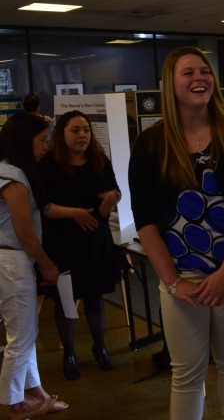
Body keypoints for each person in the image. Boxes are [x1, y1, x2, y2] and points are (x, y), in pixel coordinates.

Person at [128, 46, 224, 420]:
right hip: (180, 274)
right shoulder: (151, 145)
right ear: (170, 84)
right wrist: (172, 282)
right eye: (188, 73)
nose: (198, 78)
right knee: (186, 370)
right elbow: (145, 221)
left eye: (204, 71)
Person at [39, 110, 121, 380]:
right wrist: (75, 213)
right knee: (65, 302)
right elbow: (44, 206)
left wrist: (111, 197)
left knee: (95, 297)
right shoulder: (49, 164)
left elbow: (115, 190)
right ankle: (70, 354)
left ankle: (100, 348)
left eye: (85, 129)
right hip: (62, 243)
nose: (82, 135)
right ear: (62, 133)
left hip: (94, 242)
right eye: (75, 130)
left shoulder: (98, 160)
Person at [0, 112, 68, 419]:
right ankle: (14, 402)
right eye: (42, 140)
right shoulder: (13, 175)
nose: (46, 146)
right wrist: (47, 266)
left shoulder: (11, 171)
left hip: (13, 260)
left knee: (27, 330)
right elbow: (26, 234)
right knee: (21, 336)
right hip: (13, 260)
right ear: (24, 141)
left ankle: (34, 391)